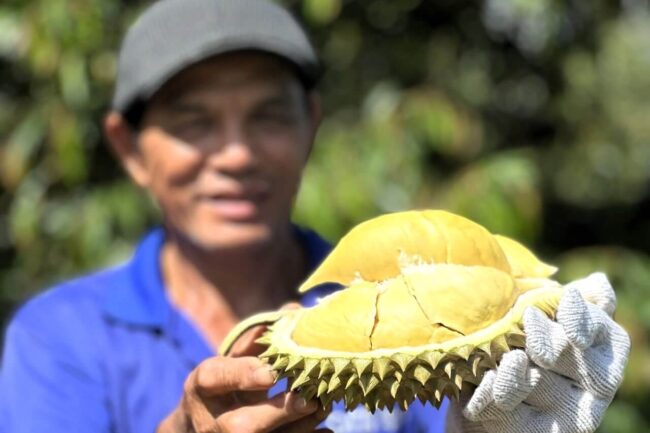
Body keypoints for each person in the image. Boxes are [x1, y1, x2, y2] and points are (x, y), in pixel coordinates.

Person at [0, 0, 630, 432]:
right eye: (193, 122)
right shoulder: (57, 340)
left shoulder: (396, 313)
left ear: (311, 126)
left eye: (269, 115)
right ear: (130, 150)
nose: (237, 153)